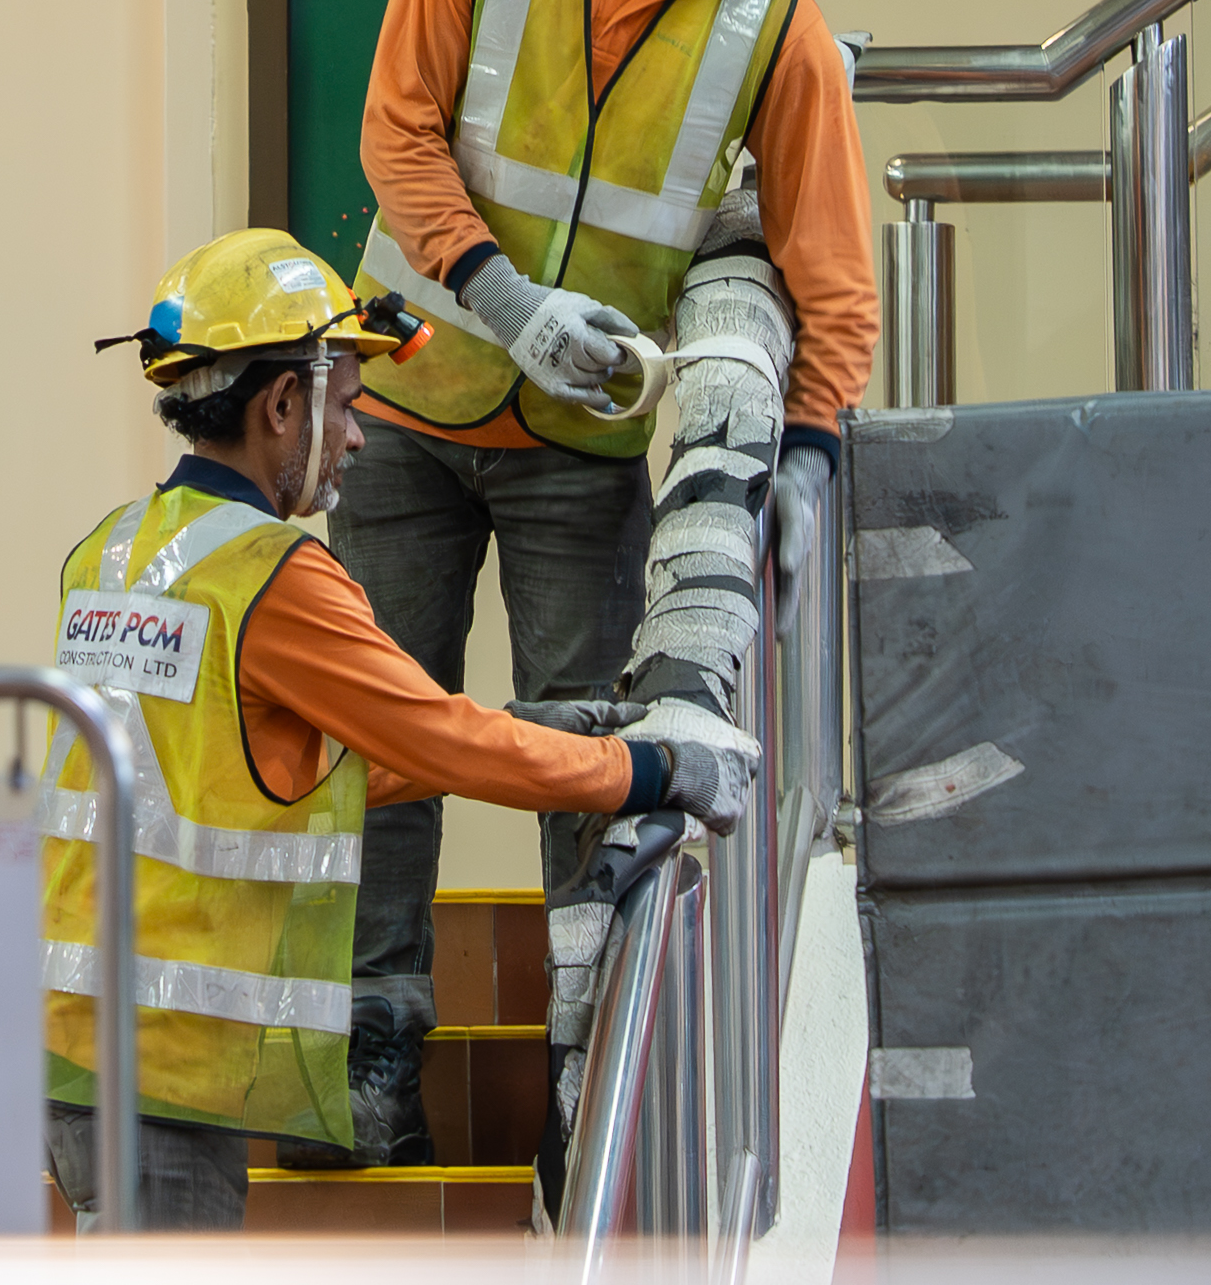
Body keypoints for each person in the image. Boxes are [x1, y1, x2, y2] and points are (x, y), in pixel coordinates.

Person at [324, 0, 879, 1164]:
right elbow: (397, 135)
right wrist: (503, 298)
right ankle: (367, 1043)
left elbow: (833, 283)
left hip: (582, 458)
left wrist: (806, 475)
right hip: (407, 407)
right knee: (382, 740)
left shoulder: (782, 28)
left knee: (597, 763)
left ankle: (589, 1063)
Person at [38, 228, 755, 1231]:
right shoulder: (273, 578)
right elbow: (438, 741)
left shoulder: (111, 553)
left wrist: (538, 727)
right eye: (345, 402)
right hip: (169, 1064)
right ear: (282, 403)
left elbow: (257, 778)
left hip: (78, 1049)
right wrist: (650, 767)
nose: (359, 435)